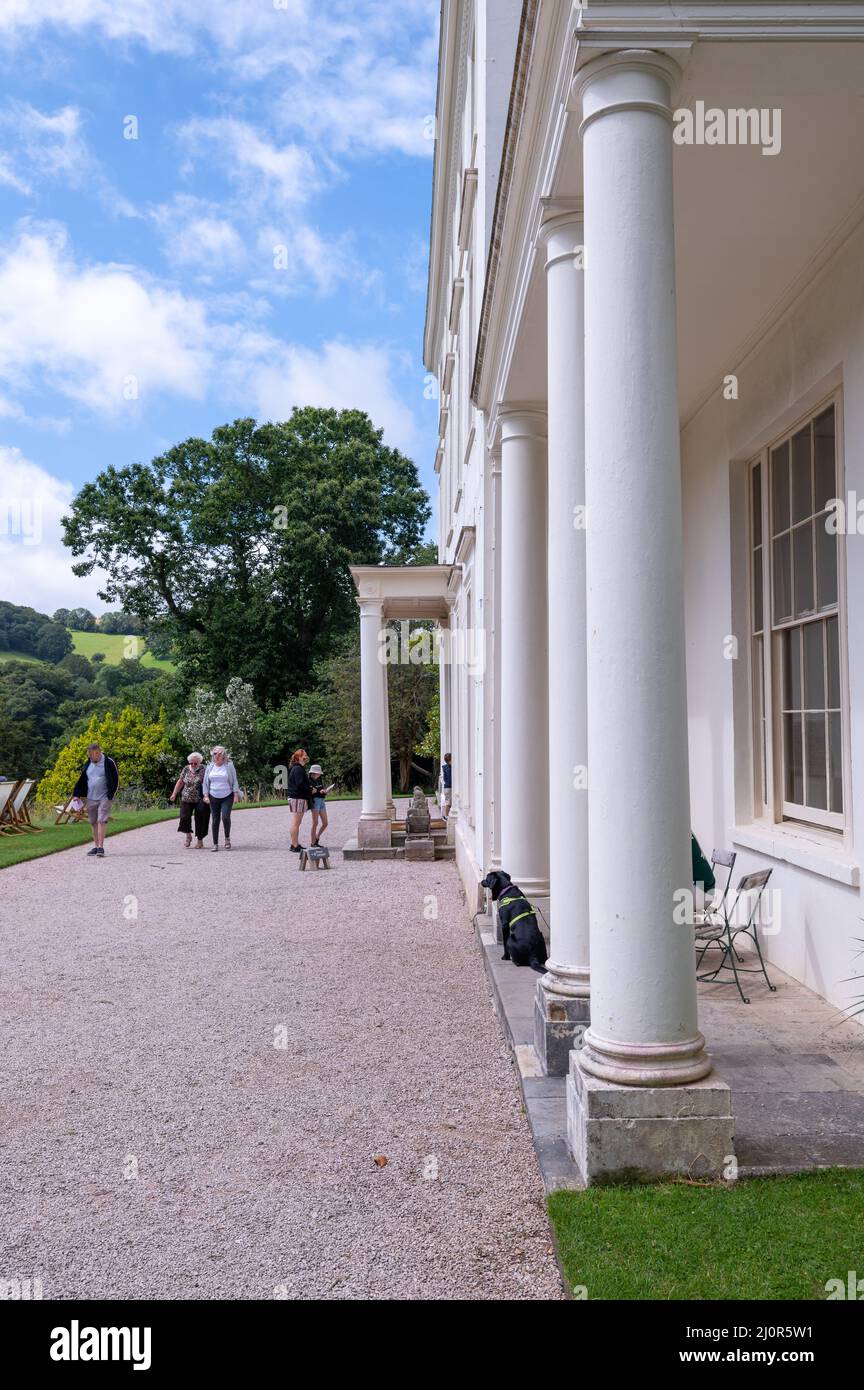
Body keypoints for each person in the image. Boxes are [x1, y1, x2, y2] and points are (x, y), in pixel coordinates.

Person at [72, 741, 119, 857]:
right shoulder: (88, 763)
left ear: (98, 752)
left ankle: (101, 848)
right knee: (93, 822)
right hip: (90, 797)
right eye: (89, 755)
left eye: (92, 755)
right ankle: (96, 846)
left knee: (101, 820)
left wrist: (111, 794)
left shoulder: (109, 762)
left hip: (105, 796)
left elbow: (116, 779)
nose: (91, 758)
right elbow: (82, 779)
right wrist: (77, 794)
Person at [202, 745, 241, 852]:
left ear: (223, 755)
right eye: (215, 753)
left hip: (227, 796)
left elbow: (234, 780)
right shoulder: (210, 766)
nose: (217, 756)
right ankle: (215, 844)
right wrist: (205, 795)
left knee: (225, 817)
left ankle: (227, 839)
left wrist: (236, 794)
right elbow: (205, 782)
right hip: (213, 796)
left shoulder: (229, 765)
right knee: (215, 820)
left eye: (219, 753)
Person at [169, 753, 208, 848]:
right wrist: (174, 793)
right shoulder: (186, 769)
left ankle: (200, 841)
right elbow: (180, 781)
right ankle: (188, 835)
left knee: (201, 818)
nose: (193, 765)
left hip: (200, 798)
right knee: (184, 817)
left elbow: (209, 781)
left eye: (196, 763)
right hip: (186, 797)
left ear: (200, 762)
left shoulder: (205, 769)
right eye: (191, 763)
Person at [286, 749, 312, 852]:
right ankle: (294, 845)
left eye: (306, 755)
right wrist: (310, 789)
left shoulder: (299, 768)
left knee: (297, 822)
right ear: (298, 757)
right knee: (296, 822)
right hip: (297, 798)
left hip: (298, 798)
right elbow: (300, 784)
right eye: (304, 755)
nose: (306, 757)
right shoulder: (298, 769)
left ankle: (295, 844)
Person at [308, 763, 332, 847]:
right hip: (315, 801)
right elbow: (312, 791)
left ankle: (317, 836)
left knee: (325, 823)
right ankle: (313, 842)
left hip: (322, 801)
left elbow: (320, 789)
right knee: (315, 822)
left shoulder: (319, 779)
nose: (319, 774)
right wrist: (319, 791)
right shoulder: (309, 781)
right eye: (318, 773)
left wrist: (324, 791)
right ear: (313, 773)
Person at [440, 752, 452, 819]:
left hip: (447, 787)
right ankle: (446, 816)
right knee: (448, 803)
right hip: (448, 787)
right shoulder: (449, 769)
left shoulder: (446, 768)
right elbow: (450, 779)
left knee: (448, 802)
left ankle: (446, 815)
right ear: (449, 761)